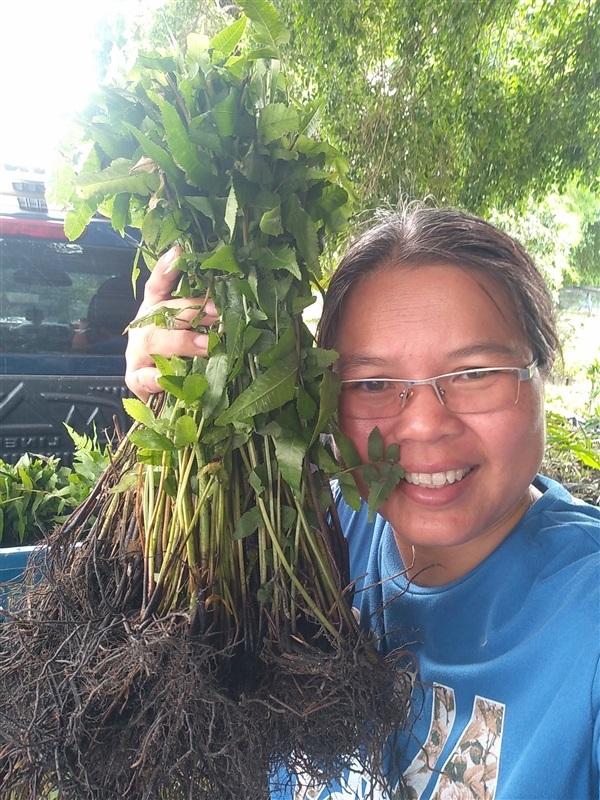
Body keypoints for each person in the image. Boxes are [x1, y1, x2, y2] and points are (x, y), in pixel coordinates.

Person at [125, 207, 600, 800]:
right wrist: (174, 392)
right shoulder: (300, 539)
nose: (425, 426)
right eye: (372, 383)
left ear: (541, 374)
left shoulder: (587, 623)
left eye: (475, 373)